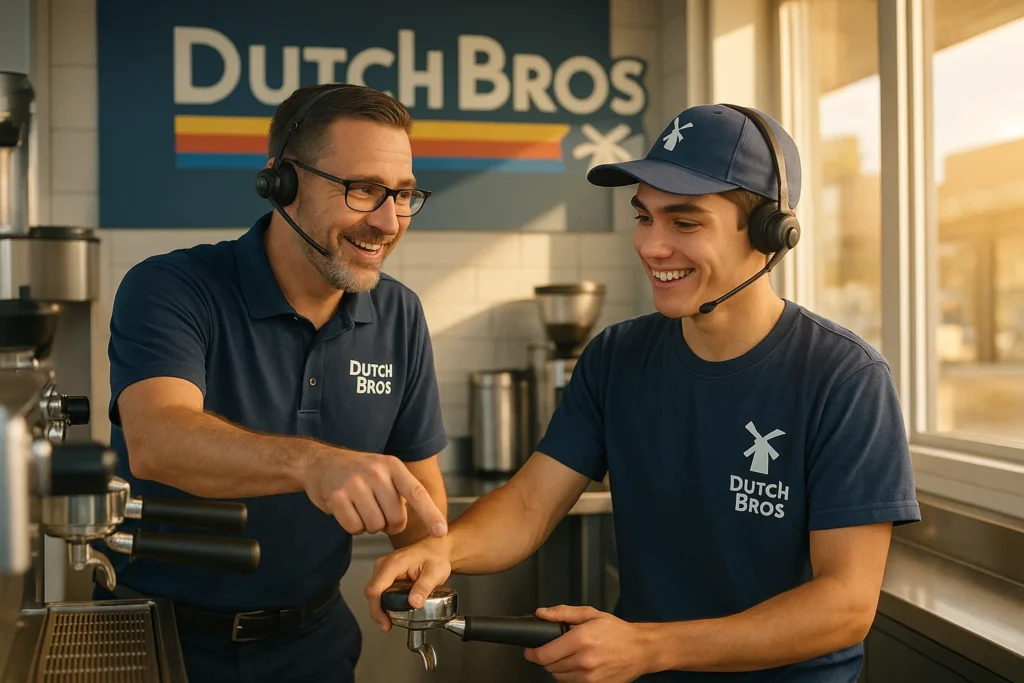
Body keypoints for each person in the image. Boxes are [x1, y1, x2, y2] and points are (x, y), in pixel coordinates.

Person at [365, 103, 921, 682]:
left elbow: (845, 606)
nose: (652, 247)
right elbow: (530, 505)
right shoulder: (616, 357)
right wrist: (445, 550)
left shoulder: (845, 378)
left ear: (768, 234)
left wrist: (648, 648)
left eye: (684, 223)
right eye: (644, 217)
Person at [95, 83, 451, 683]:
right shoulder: (172, 288)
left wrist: (429, 552)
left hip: (314, 646)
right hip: (155, 639)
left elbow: (423, 503)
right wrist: (316, 464)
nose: (389, 222)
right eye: (363, 190)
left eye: (405, 195)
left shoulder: (398, 314)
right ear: (282, 181)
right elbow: (157, 439)